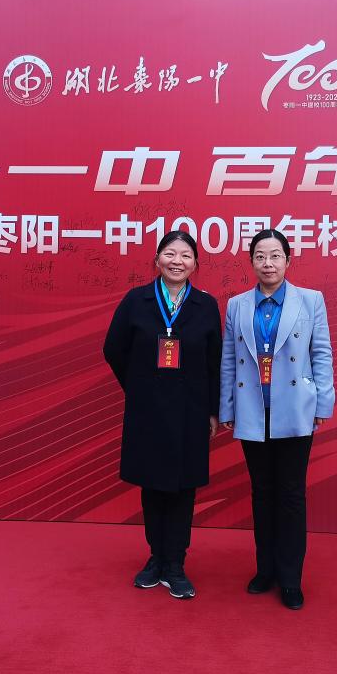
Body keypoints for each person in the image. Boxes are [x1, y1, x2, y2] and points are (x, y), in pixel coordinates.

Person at [218, 229, 335, 610]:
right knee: (262, 493)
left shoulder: (310, 300)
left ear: (288, 260)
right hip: (253, 409)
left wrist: (322, 404)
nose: (267, 264)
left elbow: (321, 353)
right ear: (251, 261)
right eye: (260, 256)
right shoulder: (237, 305)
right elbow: (228, 359)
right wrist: (227, 408)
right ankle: (265, 569)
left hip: (295, 409)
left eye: (275, 256)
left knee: (291, 495)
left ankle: (290, 578)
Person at [103, 231, 222, 599]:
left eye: (185, 255)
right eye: (170, 254)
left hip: (190, 411)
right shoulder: (136, 300)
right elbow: (113, 348)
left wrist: (213, 410)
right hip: (148, 411)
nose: (177, 261)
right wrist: (137, 386)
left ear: (195, 264)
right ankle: (156, 558)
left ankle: (176, 564)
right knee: (152, 485)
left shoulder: (205, 305)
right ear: (157, 260)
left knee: (183, 489)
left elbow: (215, 362)